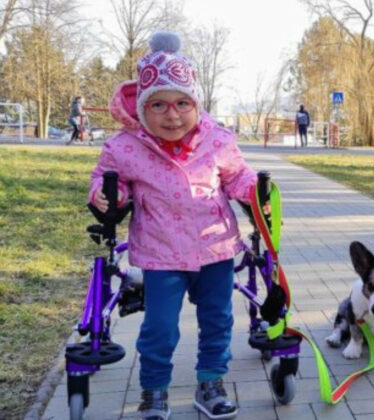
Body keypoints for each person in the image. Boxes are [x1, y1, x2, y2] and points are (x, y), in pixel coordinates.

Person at [89, 31, 261, 420]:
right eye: (159, 105)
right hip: (160, 251)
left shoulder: (217, 140)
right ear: (142, 109)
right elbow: (106, 178)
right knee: (160, 327)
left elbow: (237, 176)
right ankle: (154, 390)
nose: (172, 115)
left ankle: (211, 382)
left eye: (183, 103)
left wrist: (256, 192)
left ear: (196, 104)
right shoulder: (126, 146)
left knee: (217, 320)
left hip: (215, 248)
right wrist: (107, 194)